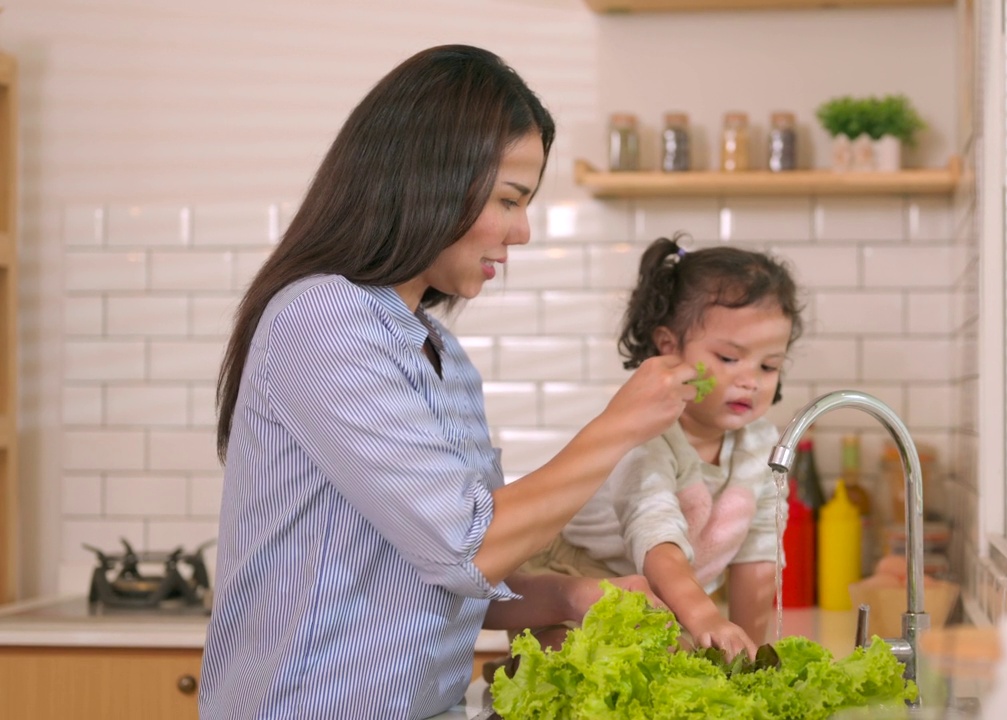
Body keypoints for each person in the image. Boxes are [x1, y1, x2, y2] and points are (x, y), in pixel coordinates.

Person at [200, 45, 697, 719]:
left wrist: (572, 599)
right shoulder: (324, 318)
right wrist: (621, 427)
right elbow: (467, 547)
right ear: (430, 178)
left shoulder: (443, 356)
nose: (521, 232)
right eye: (509, 200)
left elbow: (464, 565)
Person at [519, 235, 805, 660]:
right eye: (729, 358)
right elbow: (656, 542)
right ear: (670, 347)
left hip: (665, 599)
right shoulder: (650, 431)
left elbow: (758, 559)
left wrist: (750, 658)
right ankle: (522, 667)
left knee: (678, 657)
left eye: (769, 366)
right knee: (587, 653)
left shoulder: (762, 444)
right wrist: (706, 619)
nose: (750, 379)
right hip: (576, 578)